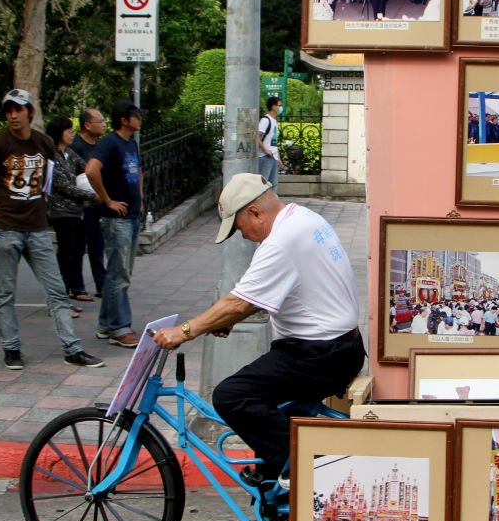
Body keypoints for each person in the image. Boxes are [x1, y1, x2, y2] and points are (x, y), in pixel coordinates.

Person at [151, 173, 365, 493]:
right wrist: (227, 319)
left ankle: (299, 466)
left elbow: (237, 303)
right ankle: (277, 475)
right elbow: (270, 295)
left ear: (254, 212)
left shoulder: (280, 241)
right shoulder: (303, 217)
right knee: (267, 404)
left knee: (231, 396)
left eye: (239, 228)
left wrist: (184, 331)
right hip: (335, 346)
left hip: (319, 354)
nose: (244, 237)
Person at [0, 89, 104, 370]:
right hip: (6, 228)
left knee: (57, 291)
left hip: (36, 228)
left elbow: (50, 177)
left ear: (30, 113)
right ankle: (11, 349)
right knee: (5, 293)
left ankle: (72, 348)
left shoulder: (43, 142)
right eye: (9, 110)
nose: (13, 115)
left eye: (18, 110)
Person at [85, 99, 144, 349]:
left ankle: (106, 324)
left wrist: (140, 199)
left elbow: (138, 172)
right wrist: (107, 200)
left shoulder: (131, 143)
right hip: (117, 219)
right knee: (119, 275)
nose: (140, 119)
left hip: (132, 216)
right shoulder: (110, 142)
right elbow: (91, 170)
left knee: (118, 274)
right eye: (136, 116)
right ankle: (120, 327)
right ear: (124, 119)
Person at [44, 115, 99, 319]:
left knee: (74, 255)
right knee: (65, 255)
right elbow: (63, 187)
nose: (72, 134)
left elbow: (87, 169)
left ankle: (64, 298)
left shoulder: (70, 154)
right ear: (60, 133)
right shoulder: (53, 156)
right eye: (68, 131)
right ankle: (57, 301)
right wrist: (92, 196)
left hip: (76, 212)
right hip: (61, 212)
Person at [67, 107, 107, 302]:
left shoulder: (100, 146)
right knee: (78, 247)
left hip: (98, 202)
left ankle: (102, 285)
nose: (104, 124)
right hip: (81, 205)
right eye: (100, 121)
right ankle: (77, 287)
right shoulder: (75, 147)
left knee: (97, 246)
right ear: (87, 124)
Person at [257, 96, 282, 192]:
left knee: (273, 184)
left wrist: (278, 157)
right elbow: (257, 137)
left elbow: (274, 142)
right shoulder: (265, 120)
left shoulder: (274, 121)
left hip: (273, 156)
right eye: (278, 105)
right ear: (273, 106)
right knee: (264, 184)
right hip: (265, 156)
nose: (280, 108)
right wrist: (265, 150)